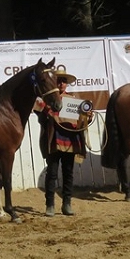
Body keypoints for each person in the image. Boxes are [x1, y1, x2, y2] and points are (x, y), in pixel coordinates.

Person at [34, 69, 93, 216]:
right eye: (59, 81)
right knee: (52, 172)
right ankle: (50, 205)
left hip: (70, 140)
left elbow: (81, 122)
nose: (61, 84)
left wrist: (88, 116)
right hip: (54, 139)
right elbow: (39, 113)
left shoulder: (74, 100)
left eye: (64, 81)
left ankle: (67, 203)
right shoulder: (45, 100)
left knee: (68, 173)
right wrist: (46, 111)